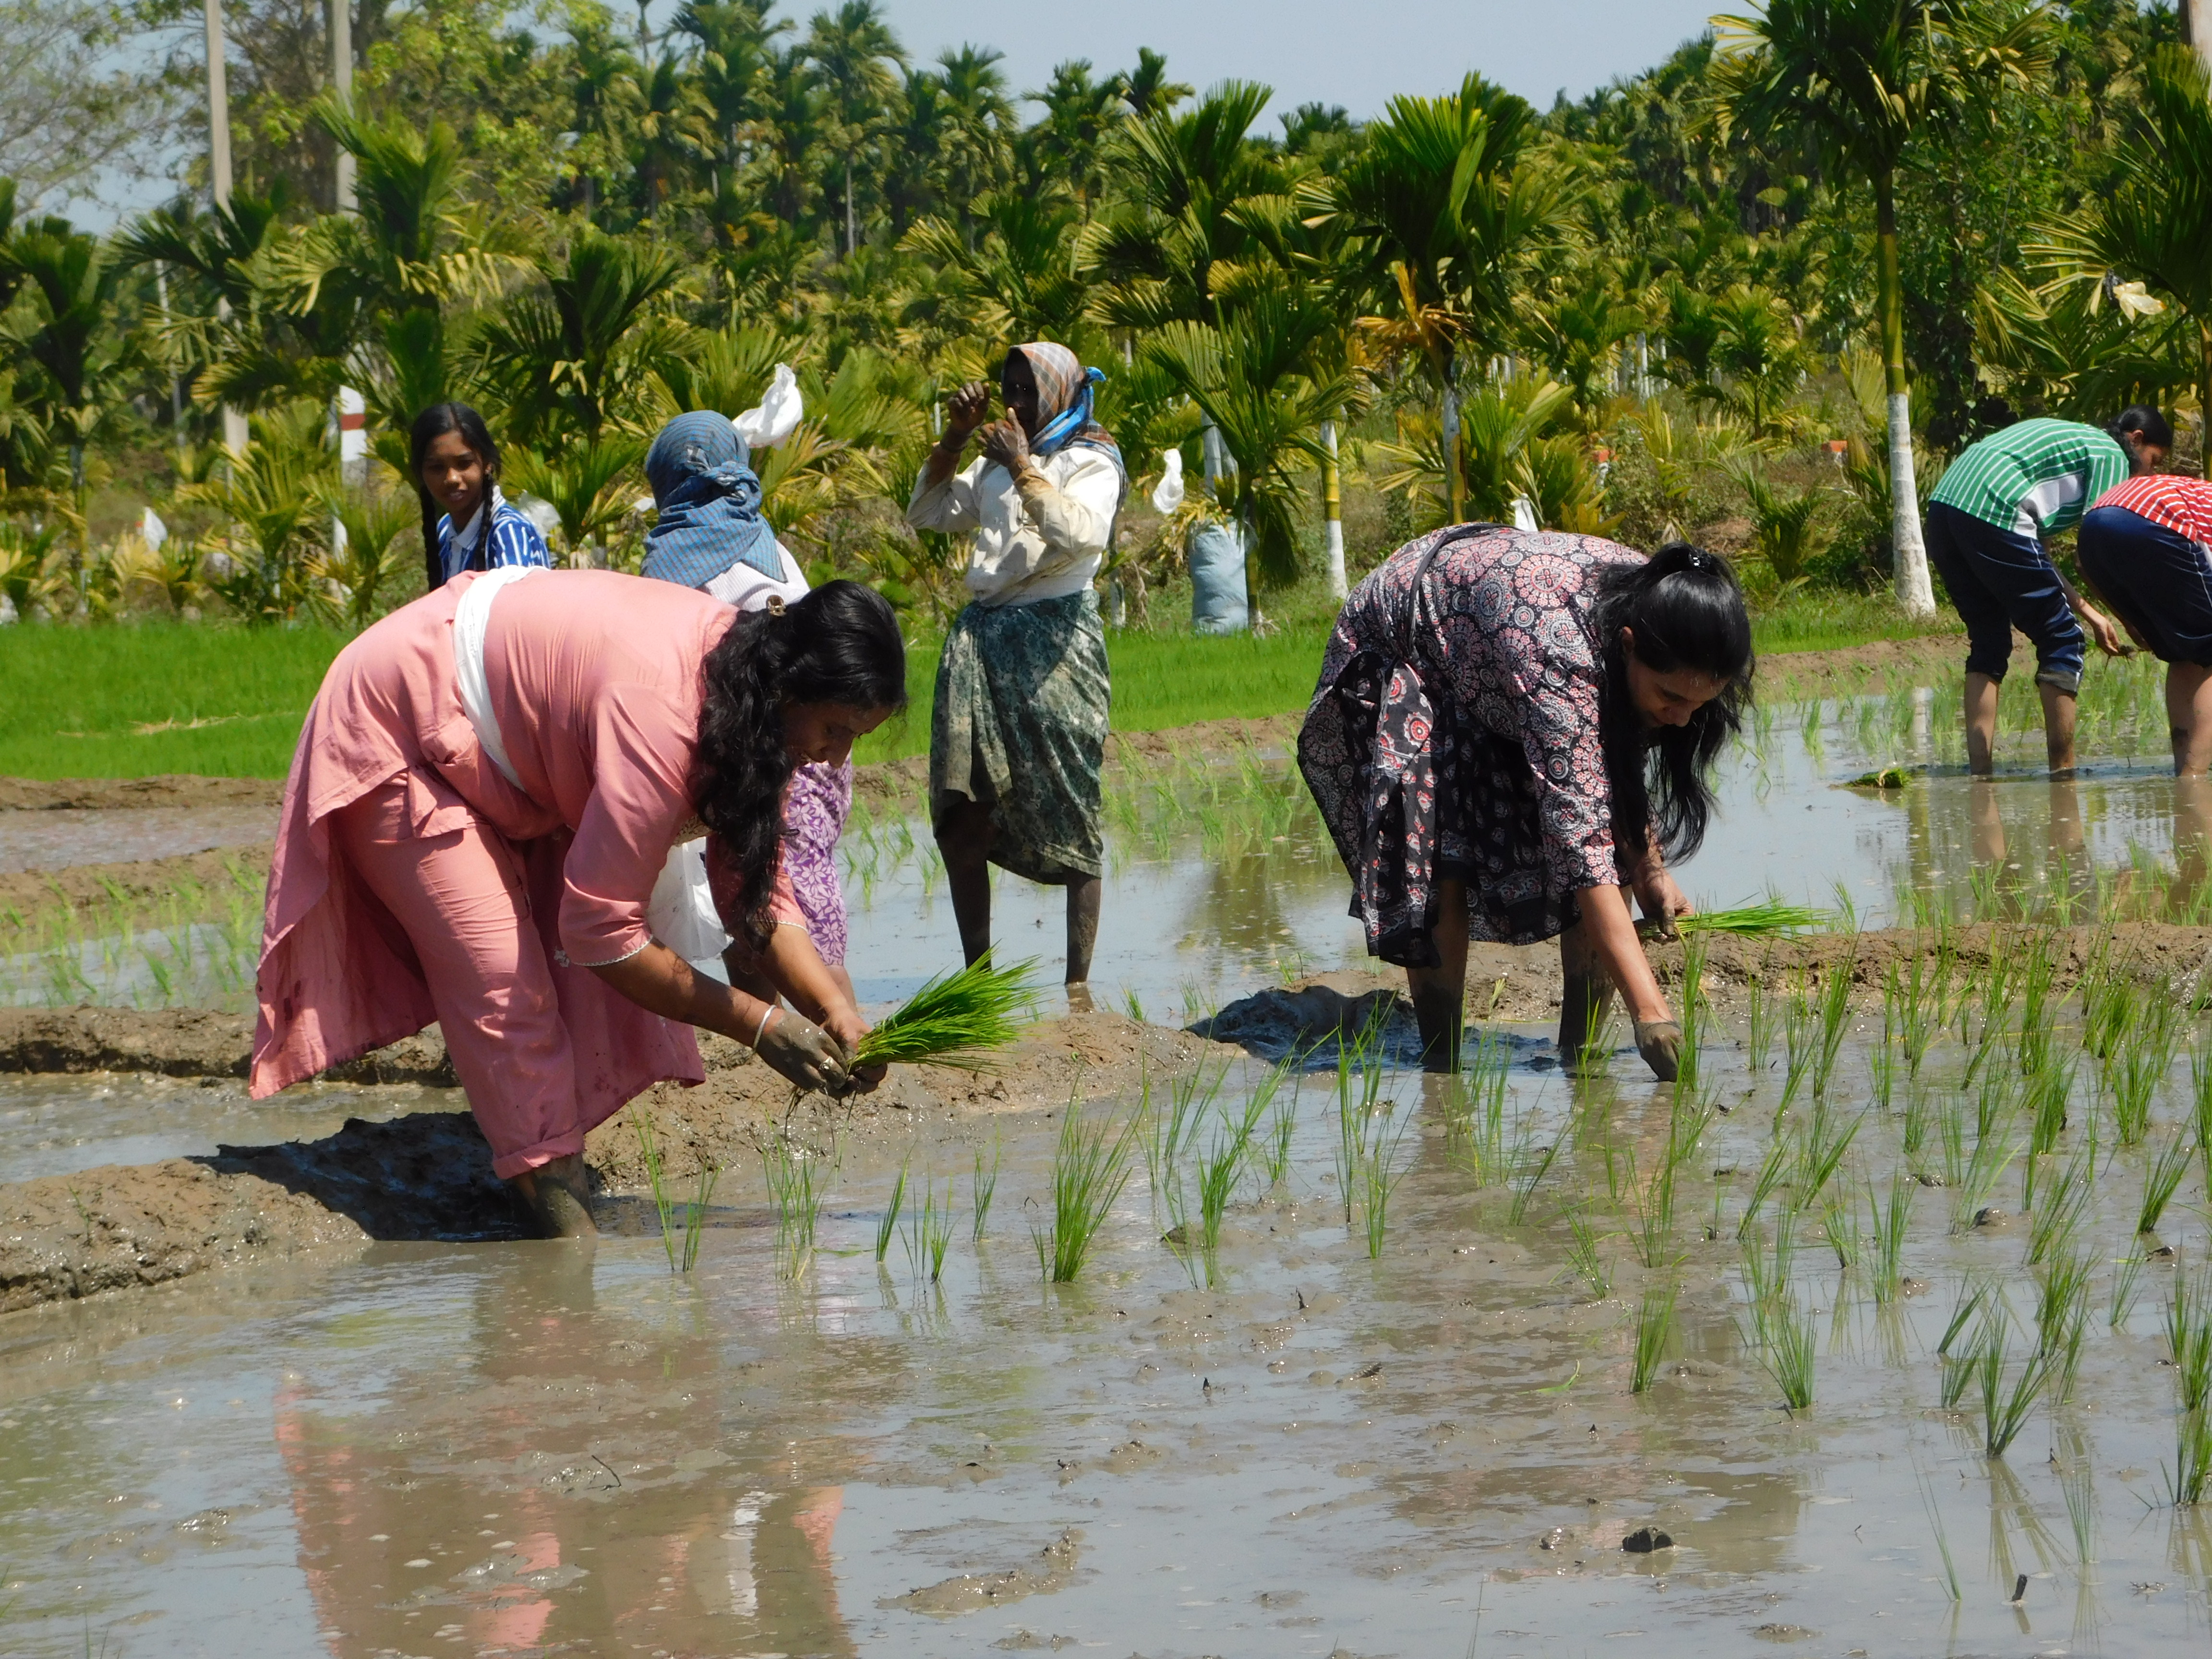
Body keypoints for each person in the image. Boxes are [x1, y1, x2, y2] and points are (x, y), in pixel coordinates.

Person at [250, 568, 905, 1238]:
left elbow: (757, 894)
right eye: (835, 729)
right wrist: (759, 1025)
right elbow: (602, 932)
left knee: (551, 978)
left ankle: (547, 1183)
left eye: (856, 738)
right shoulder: (666, 712)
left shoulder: (759, 707)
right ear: (791, 683)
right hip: (406, 717)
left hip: (512, 735)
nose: (835, 757)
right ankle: (566, 1247)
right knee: (504, 982)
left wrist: (832, 1011)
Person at [1298, 529, 1754, 1079]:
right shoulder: (1557, 650)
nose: (1682, 719)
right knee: (1443, 852)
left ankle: (1579, 1058)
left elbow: (1613, 765)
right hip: (1411, 640)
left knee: (1612, 855)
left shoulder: (1673, 605)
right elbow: (1582, 843)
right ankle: (1442, 1062)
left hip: (1499, 647)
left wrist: (1648, 866)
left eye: (1699, 704)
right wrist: (1652, 1014)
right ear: (1628, 645)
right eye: (1671, 698)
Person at [907, 342, 1124, 995]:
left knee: (1072, 804)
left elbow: (1081, 534)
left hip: (1057, 641)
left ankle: (1077, 988)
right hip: (982, 644)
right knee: (963, 810)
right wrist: (955, 437)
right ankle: (979, 980)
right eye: (1010, 391)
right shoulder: (993, 466)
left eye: (1029, 391)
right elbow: (927, 513)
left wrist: (1022, 465)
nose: (1016, 404)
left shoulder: (1091, 460)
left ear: (1060, 394)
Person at [637, 409, 857, 1010]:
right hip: (817, 751)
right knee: (768, 916)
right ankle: (804, 1038)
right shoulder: (764, 542)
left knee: (776, 917)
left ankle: (841, 1039)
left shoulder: (678, 557)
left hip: (776, 754)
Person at [1923, 408, 2171, 775]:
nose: (2149, 473)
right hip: (1995, 504)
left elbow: (2039, 557)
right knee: (2064, 639)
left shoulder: (2071, 448)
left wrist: (2093, 616)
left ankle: (1980, 776)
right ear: (2136, 440)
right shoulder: (2111, 454)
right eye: (2154, 460)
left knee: (1989, 642)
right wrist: (2133, 620)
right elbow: (2091, 554)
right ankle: (2063, 774)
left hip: (1946, 506)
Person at [2078, 467, 2212, 773]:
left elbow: (2081, 566)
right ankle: (2194, 775)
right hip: (2156, 520)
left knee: (2182, 655)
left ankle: (2184, 769)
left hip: (2094, 528)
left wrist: (2128, 619)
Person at [412, 402, 552, 591]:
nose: (452, 478)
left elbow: (515, 608)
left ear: (487, 464)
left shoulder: (509, 533)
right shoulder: (446, 530)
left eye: (464, 463)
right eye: (437, 467)